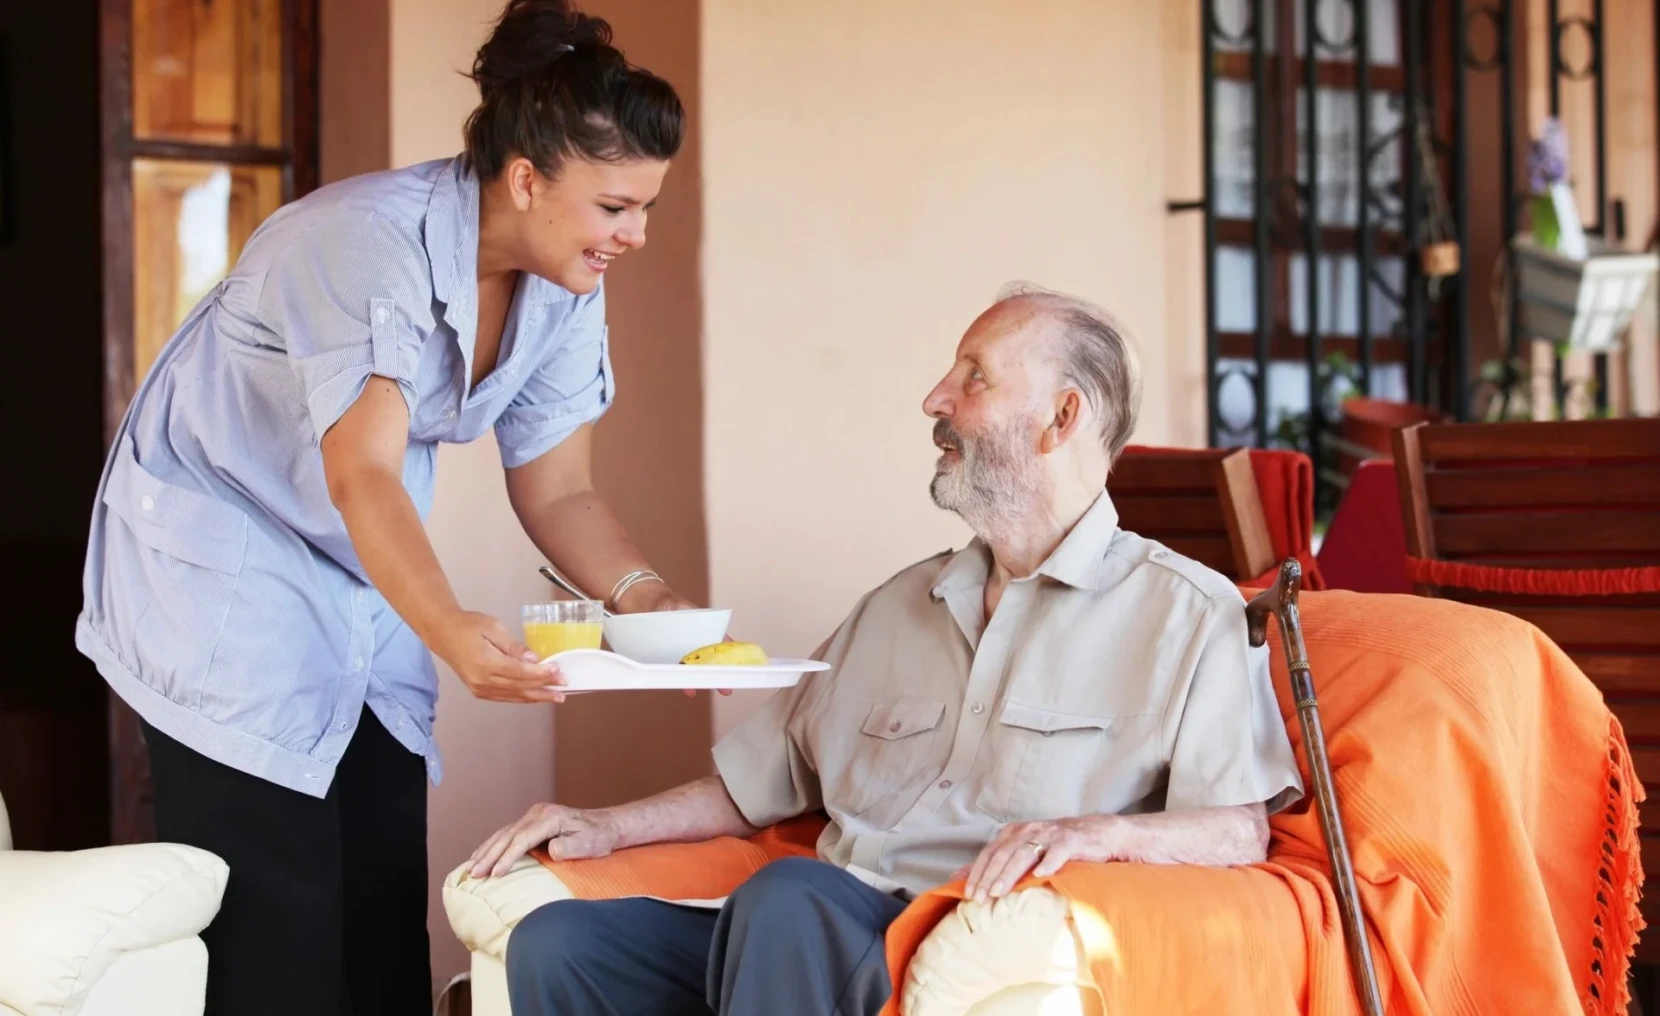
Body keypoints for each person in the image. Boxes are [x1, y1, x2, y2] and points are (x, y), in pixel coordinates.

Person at [74, 2, 694, 1012]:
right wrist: (450, 628)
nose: (633, 235)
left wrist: (646, 596)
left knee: (378, 906)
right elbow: (360, 469)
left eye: (646, 208)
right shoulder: (361, 245)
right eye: (615, 206)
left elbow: (558, 484)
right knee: (277, 926)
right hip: (224, 569)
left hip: (358, 569)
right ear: (528, 177)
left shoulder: (566, 283)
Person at [472, 284, 1305, 1016]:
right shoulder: (897, 606)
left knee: (788, 900)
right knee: (560, 942)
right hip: (805, 932)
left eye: (974, 377)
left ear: (1063, 418)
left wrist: (1096, 835)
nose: (935, 399)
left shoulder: (1184, 615)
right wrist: (604, 825)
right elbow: (757, 785)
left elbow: (1236, 830)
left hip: (949, 930)